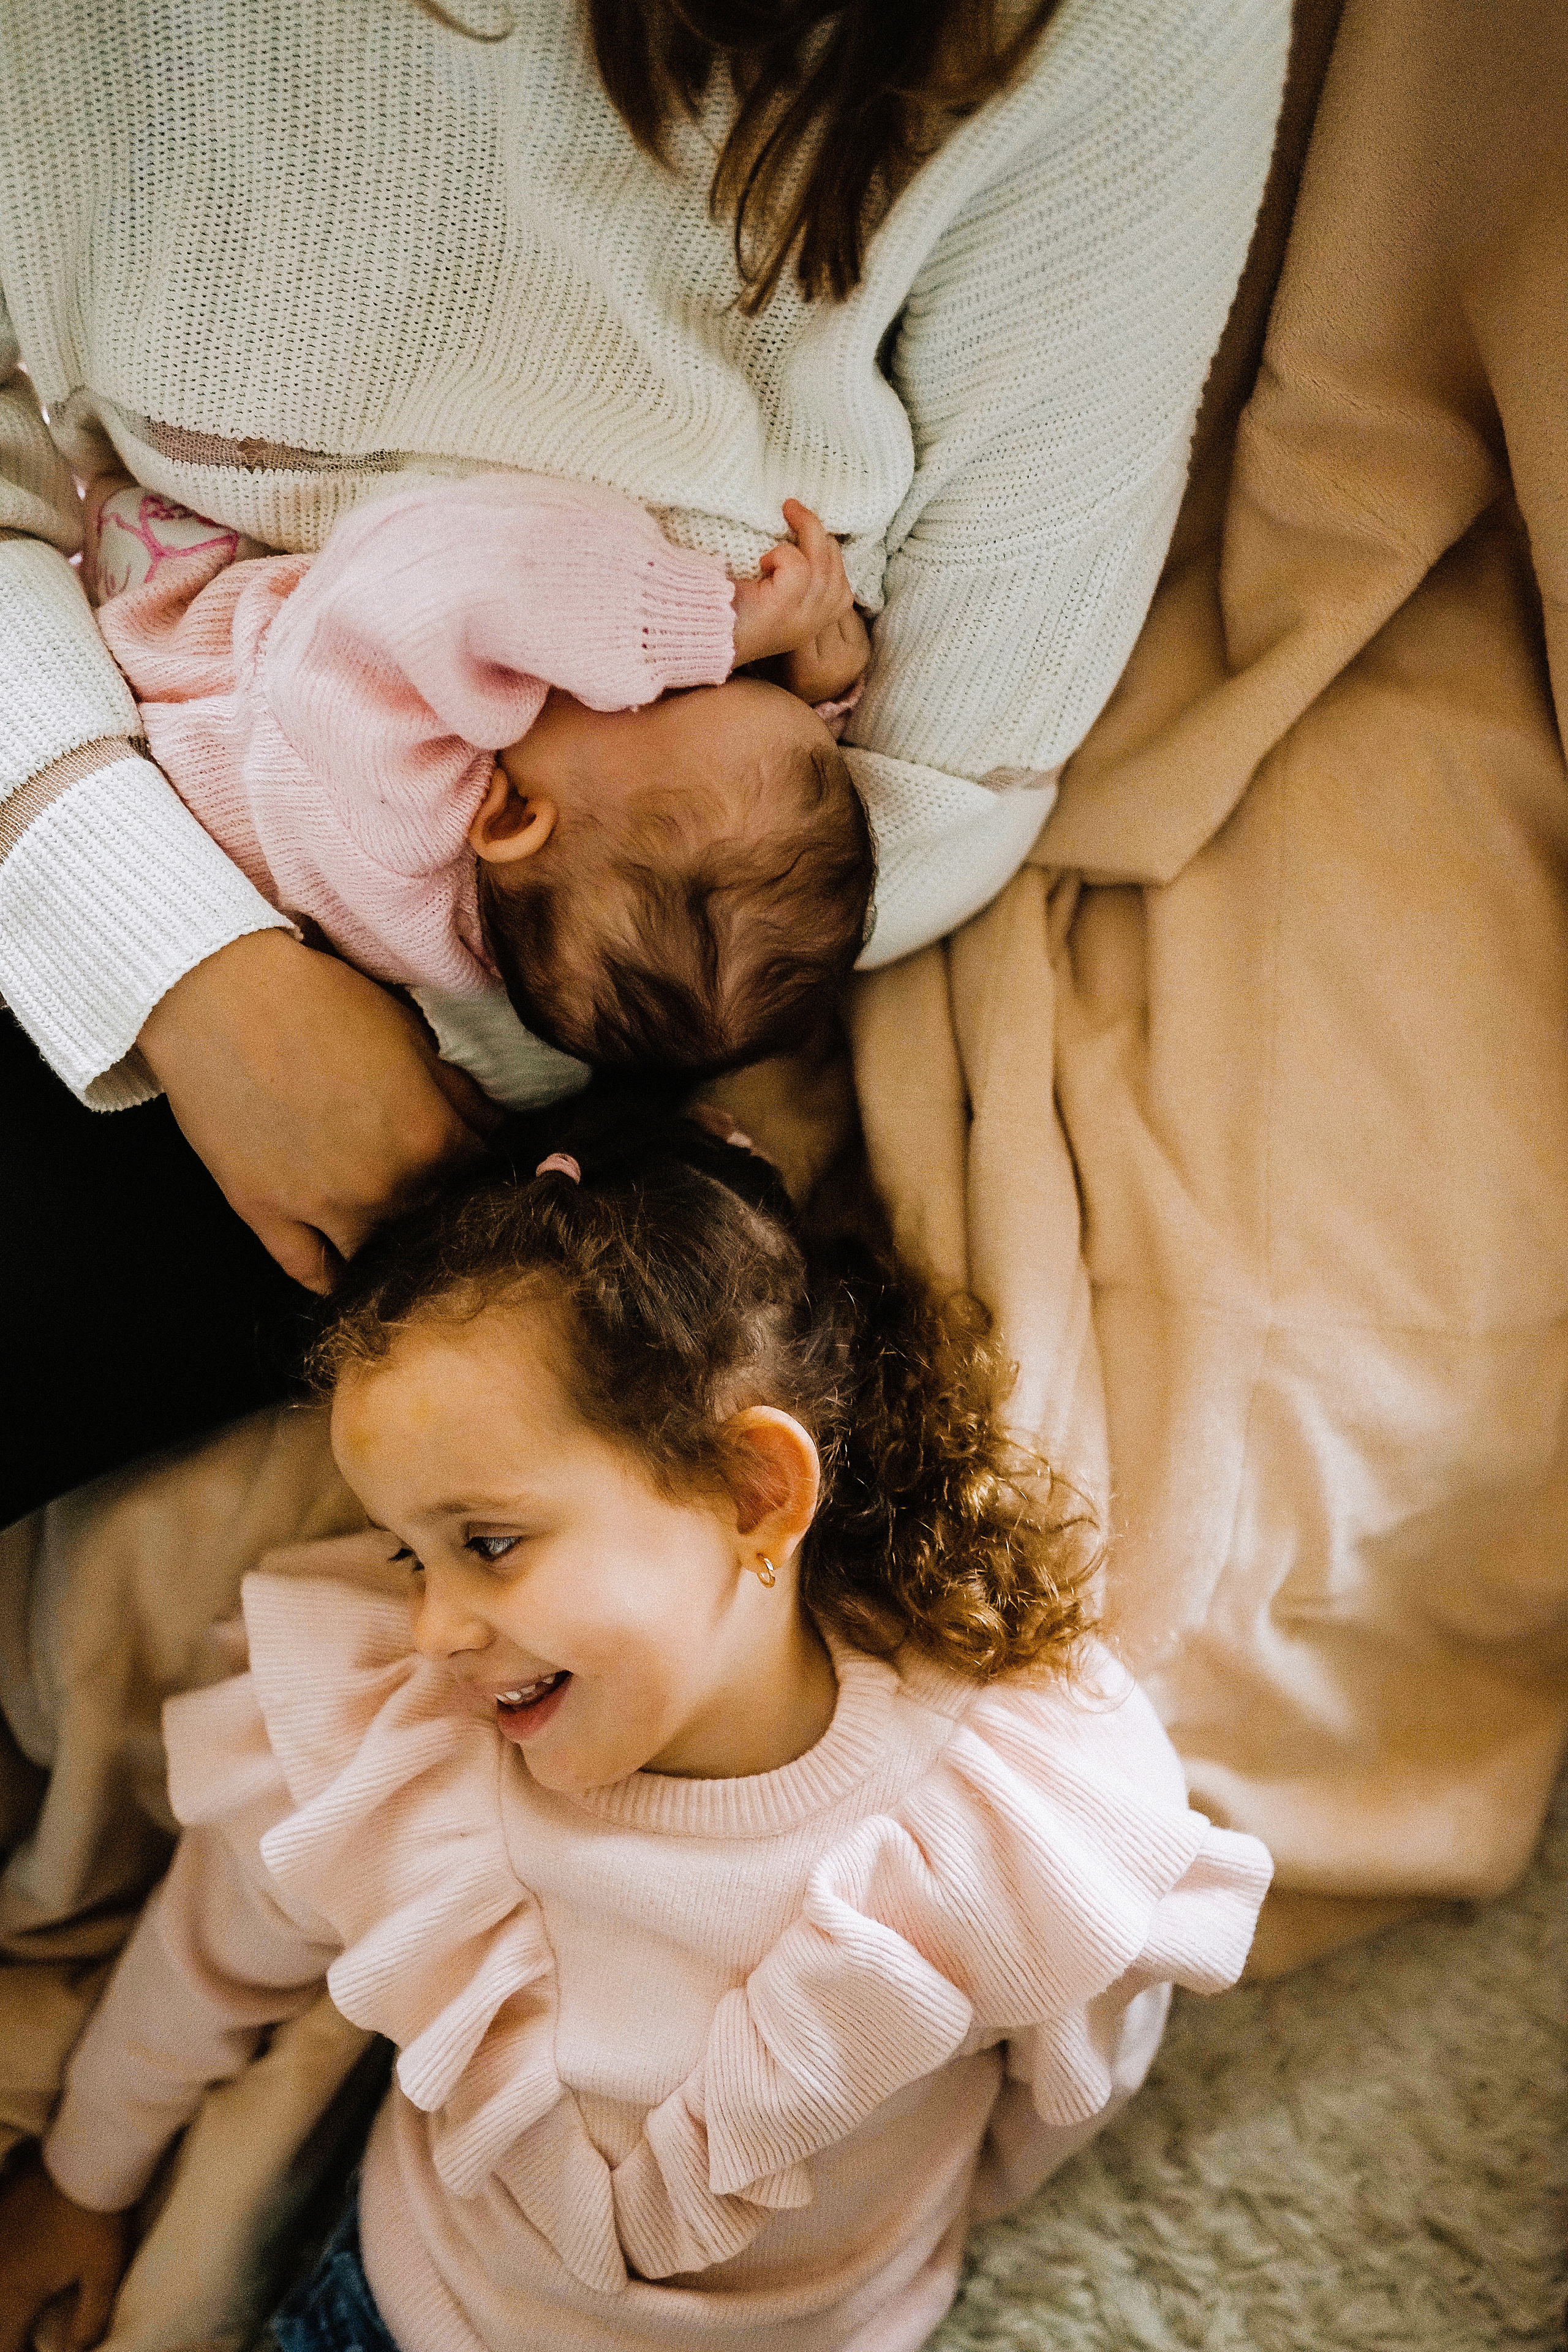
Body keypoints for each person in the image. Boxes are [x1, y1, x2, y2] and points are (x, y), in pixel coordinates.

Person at [0, 0, 1289, 1516]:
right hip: (118, 814)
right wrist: (181, 968)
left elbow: (458, 585)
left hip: (274, 914)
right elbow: (760, 780)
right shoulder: (583, 813)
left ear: (507, 811)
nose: (712, 668)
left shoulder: (407, 761)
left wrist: (703, 639)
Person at [0, 1112, 1271, 2352]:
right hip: (409, 2308)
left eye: (490, 1543)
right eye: (410, 1557)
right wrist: (80, 2182)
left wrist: (929, 2238)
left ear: (753, 1492)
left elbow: (1075, 2071)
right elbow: (204, 1961)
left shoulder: (997, 1803)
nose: (436, 1627)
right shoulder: (407, 1748)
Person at [84, 468, 873, 1100]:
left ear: (516, 818)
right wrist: (814, 695)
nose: (711, 672)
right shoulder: (521, 964)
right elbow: (724, 799)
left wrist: (709, 624)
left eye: (672, 693)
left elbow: (446, 568)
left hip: (163, 642)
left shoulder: (399, 795)